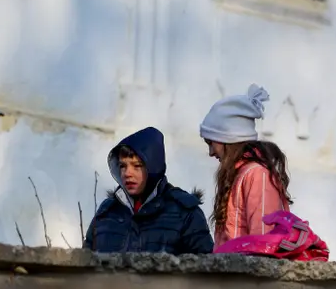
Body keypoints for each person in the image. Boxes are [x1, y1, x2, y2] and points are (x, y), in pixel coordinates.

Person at [84, 126, 213, 254]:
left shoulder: (185, 213)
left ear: (153, 167)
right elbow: (84, 266)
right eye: (122, 166)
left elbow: (207, 269)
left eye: (137, 166)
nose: (127, 173)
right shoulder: (107, 212)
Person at [199, 84, 292, 249]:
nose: (211, 152)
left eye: (211, 143)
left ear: (228, 139)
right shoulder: (237, 176)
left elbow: (264, 244)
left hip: (246, 274)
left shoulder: (257, 175)